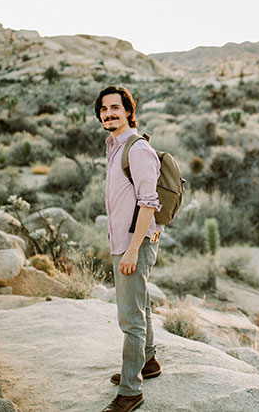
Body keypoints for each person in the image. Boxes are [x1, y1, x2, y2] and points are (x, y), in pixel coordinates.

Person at [94, 85, 162, 412]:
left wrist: (133, 249)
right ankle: (147, 363)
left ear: (128, 111)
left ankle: (131, 390)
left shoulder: (137, 149)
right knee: (141, 303)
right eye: (104, 109)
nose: (109, 113)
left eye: (115, 108)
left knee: (130, 318)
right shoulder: (114, 145)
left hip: (133, 243)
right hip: (126, 241)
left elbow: (149, 202)